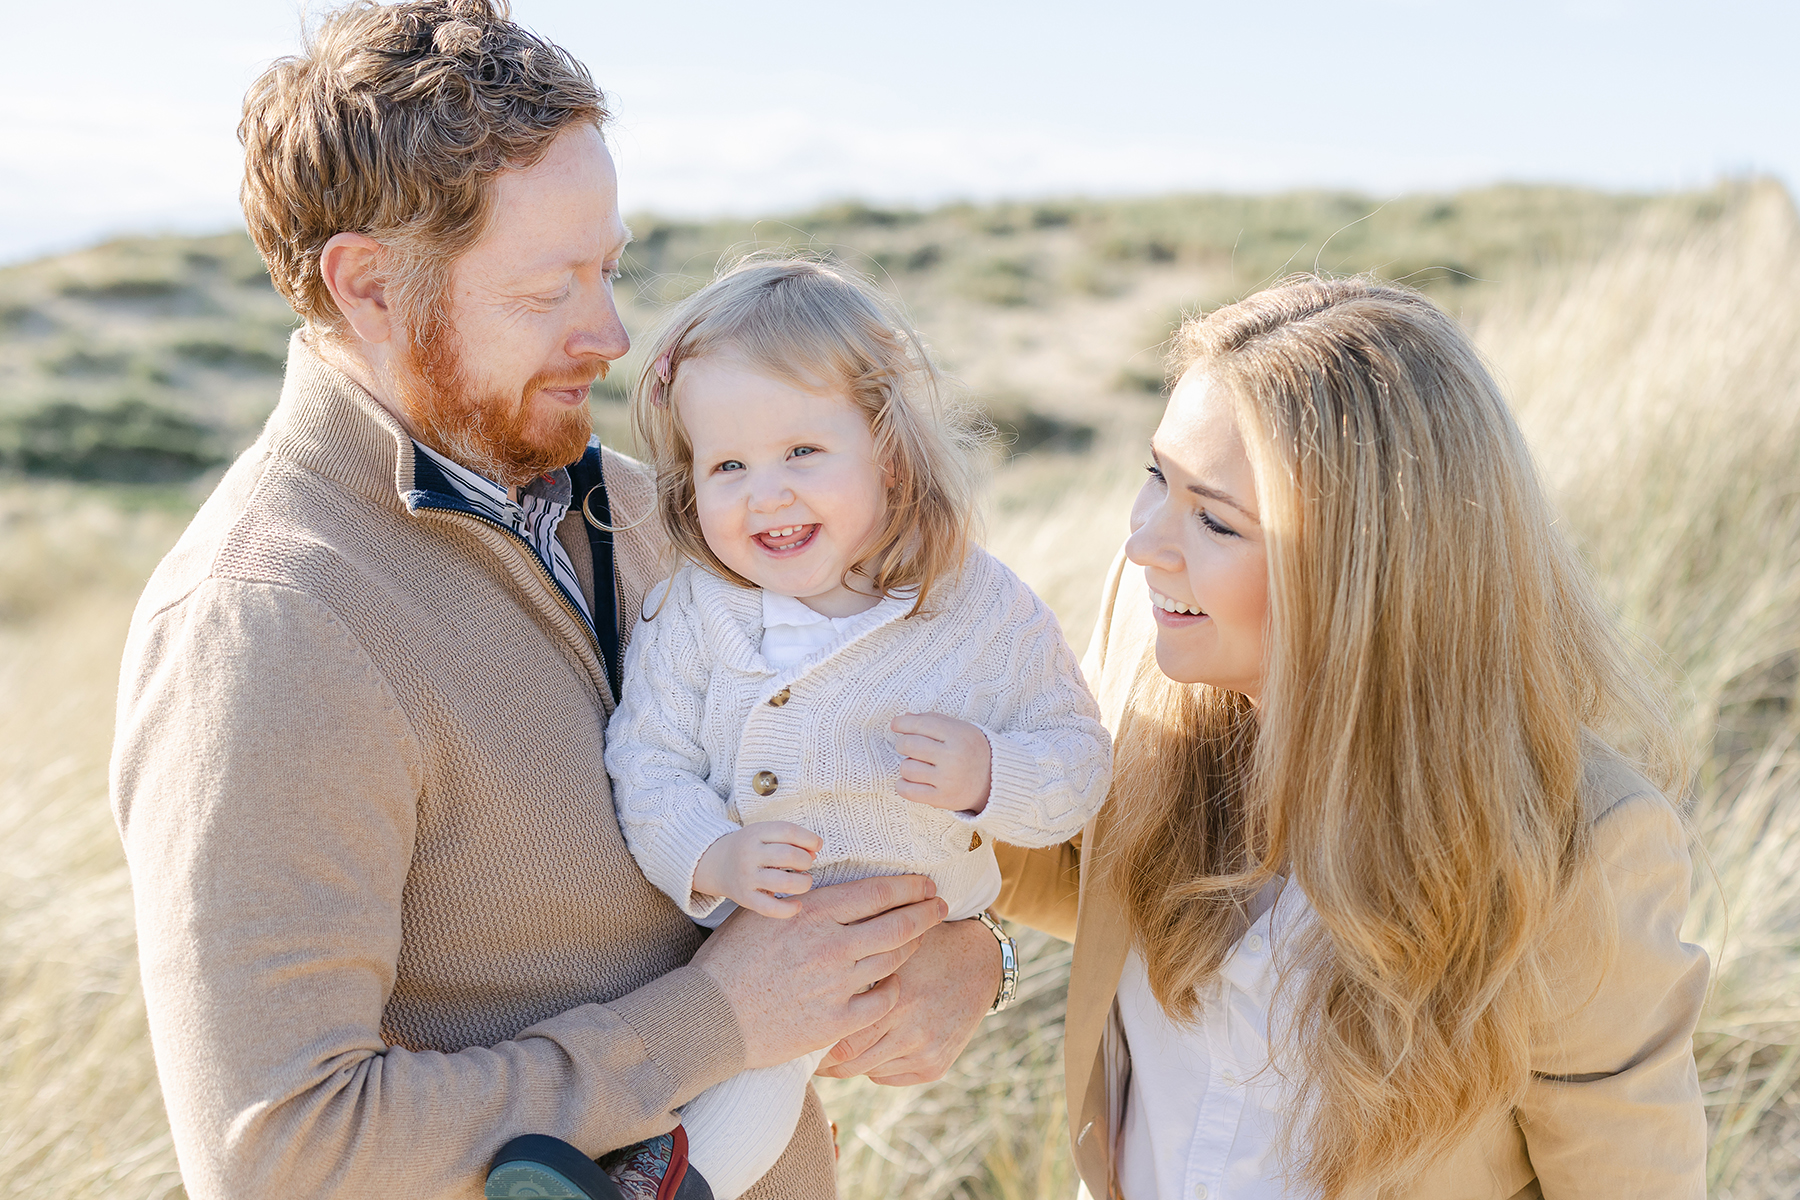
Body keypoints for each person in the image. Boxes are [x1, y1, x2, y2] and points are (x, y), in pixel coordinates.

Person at [107, 4, 1000, 1198]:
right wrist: (710, 1024)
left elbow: (852, 793)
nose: (612, 332)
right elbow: (284, 1154)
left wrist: (962, 953)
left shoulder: (658, 515)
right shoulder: (268, 621)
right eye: (546, 293)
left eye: (611, 267)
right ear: (369, 286)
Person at [996, 275, 1709, 1199]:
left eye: (1213, 518)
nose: (1145, 544)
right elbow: (1093, 879)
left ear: (1362, 573)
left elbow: (1630, 1181)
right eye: (1154, 477)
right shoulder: (1153, 636)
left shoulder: (1581, 843)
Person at [488, 259, 1112, 1200]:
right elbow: (647, 763)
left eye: (803, 454)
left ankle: (654, 1191)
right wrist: (714, 856)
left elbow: (1078, 765)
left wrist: (992, 774)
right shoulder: (695, 612)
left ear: (890, 453)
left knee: (769, 1065)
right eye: (727, 466)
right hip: (751, 939)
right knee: (733, 1051)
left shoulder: (978, 611)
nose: (765, 495)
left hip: (904, 934)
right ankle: (643, 1176)